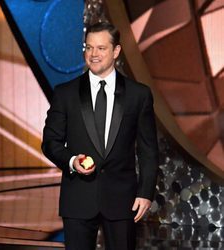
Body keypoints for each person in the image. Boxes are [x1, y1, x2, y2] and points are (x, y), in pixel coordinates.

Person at [42, 21, 159, 250]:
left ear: (116, 51)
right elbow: (50, 142)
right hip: (78, 200)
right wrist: (72, 161)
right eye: (88, 47)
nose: (93, 54)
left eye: (101, 48)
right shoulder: (65, 93)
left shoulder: (139, 95)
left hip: (123, 201)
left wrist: (145, 193)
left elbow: (148, 150)